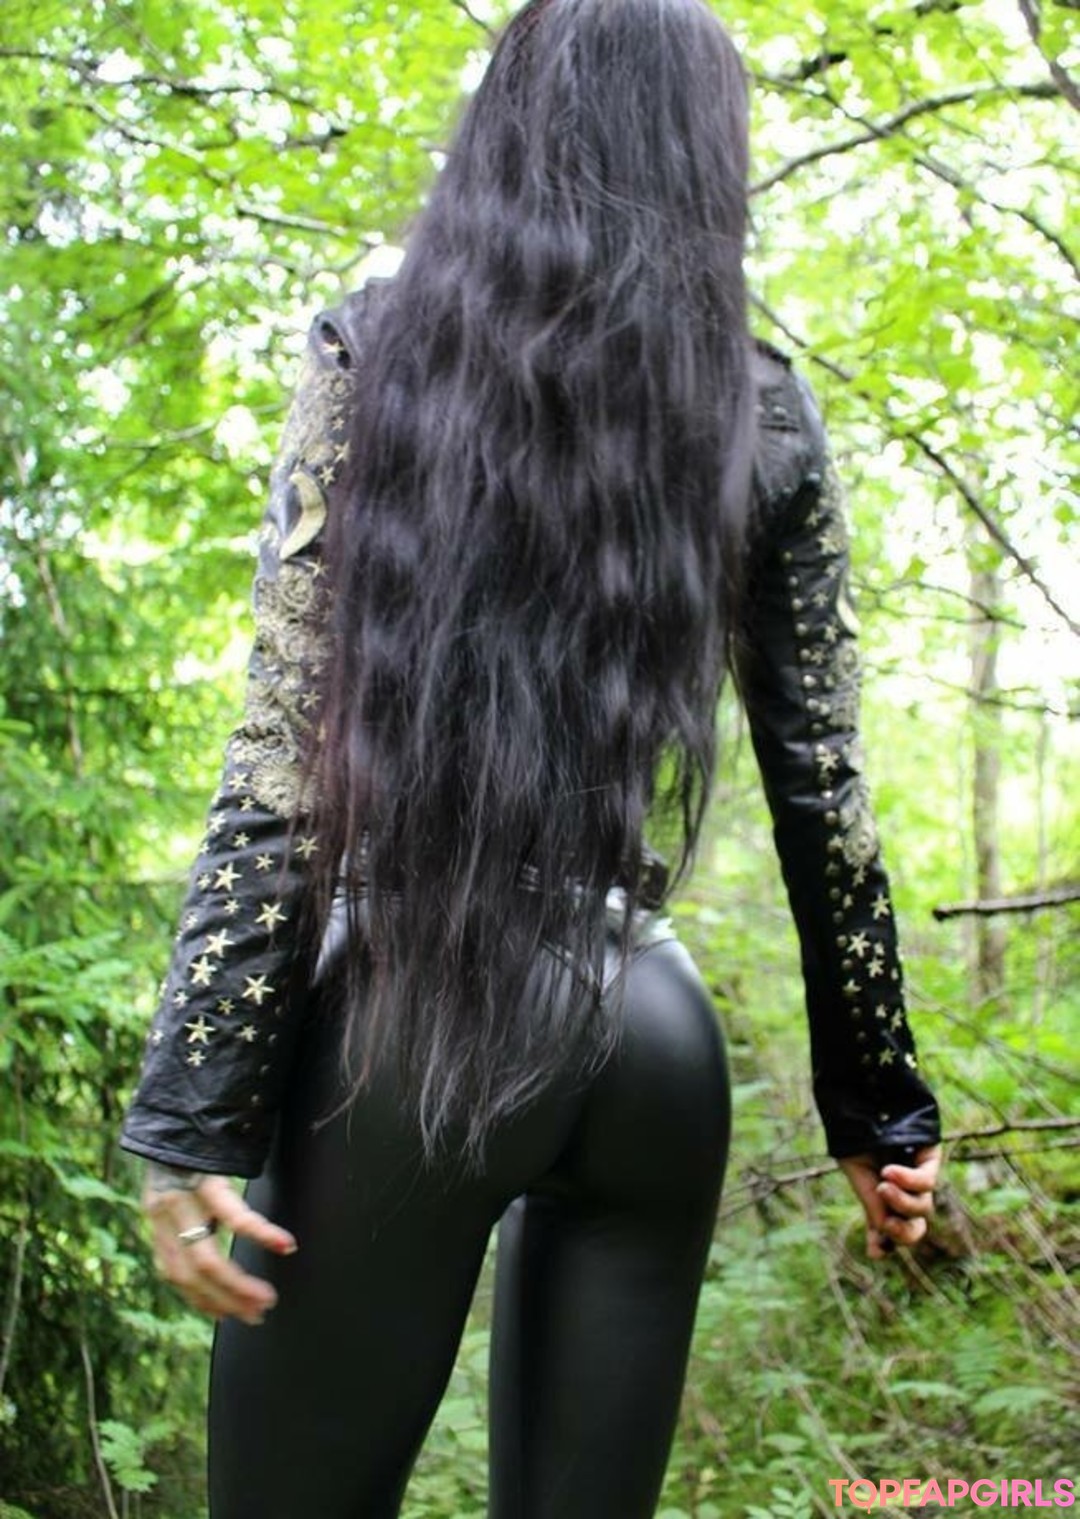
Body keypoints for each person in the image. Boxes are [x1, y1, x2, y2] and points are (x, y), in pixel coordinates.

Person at [120, 1, 942, 1515]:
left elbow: (283, 748)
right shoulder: (761, 410)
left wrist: (191, 1115)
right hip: (654, 1030)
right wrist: (882, 1111)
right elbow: (823, 785)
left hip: (411, 1020)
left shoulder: (376, 352)